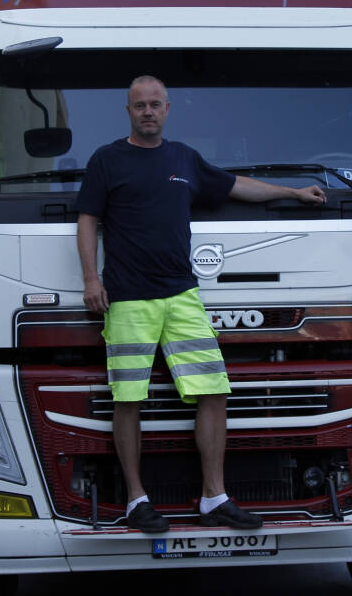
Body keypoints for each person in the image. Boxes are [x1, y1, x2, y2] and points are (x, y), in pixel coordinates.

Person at [75, 75, 327, 532]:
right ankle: (137, 500)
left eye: (155, 105)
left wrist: (293, 193)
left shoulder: (183, 159)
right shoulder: (107, 160)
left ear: (167, 109)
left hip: (183, 296)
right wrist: (91, 279)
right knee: (128, 398)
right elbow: (87, 219)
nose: (148, 112)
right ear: (128, 112)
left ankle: (214, 497)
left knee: (213, 392)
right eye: (139, 106)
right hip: (128, 299)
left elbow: (236, 186)